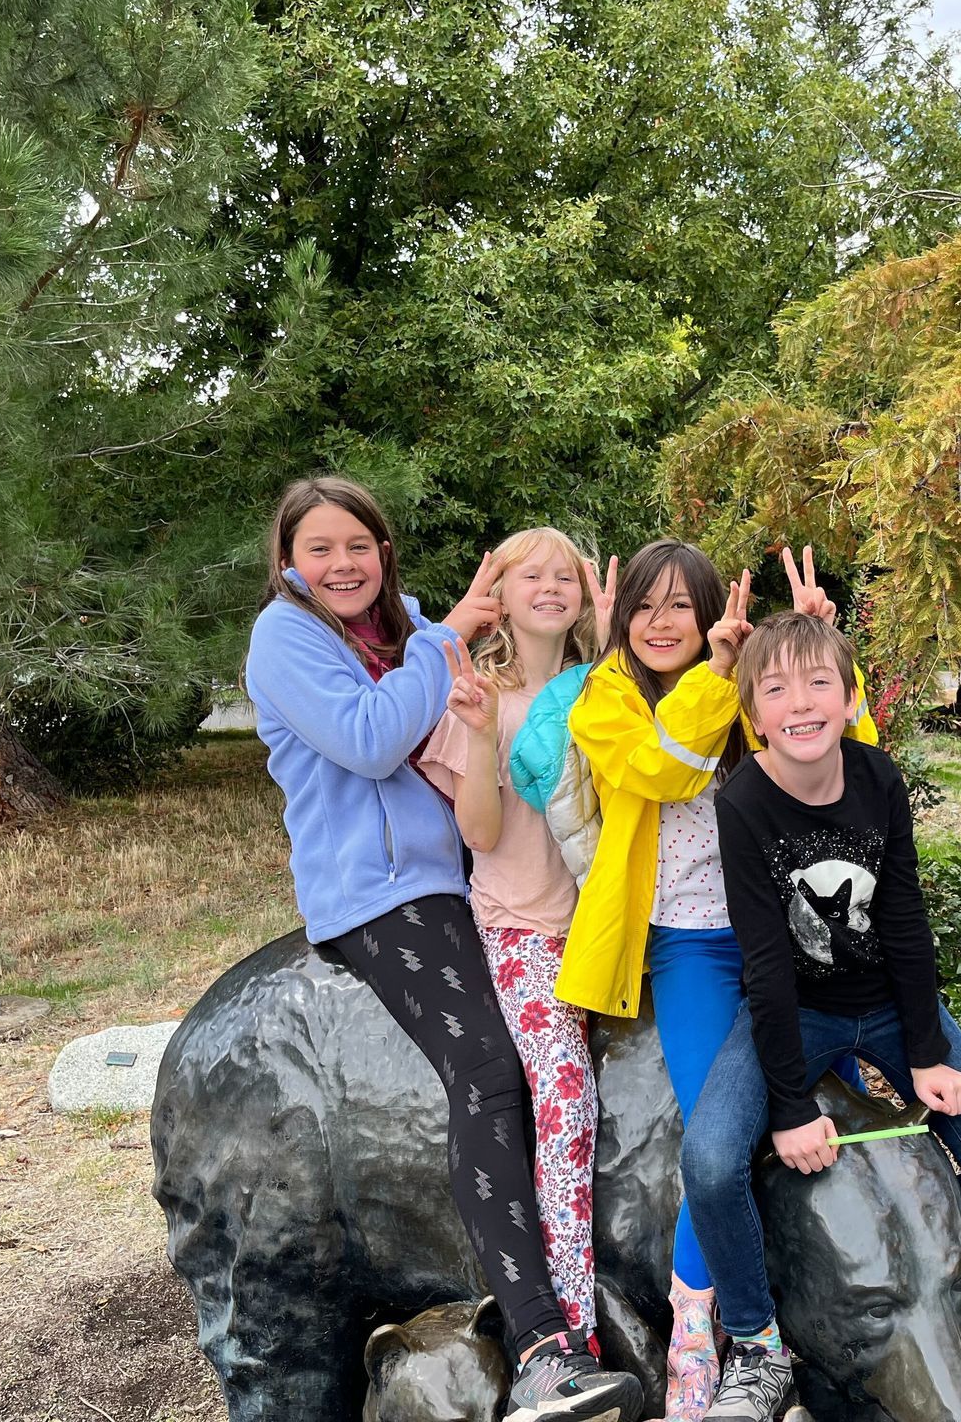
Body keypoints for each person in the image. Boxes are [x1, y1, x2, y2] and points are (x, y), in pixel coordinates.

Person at [243, 478, 642, 1422]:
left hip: (456, 881)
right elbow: (374, 742)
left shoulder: (409, 623)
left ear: (384, 552)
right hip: (378, 891)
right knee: (489, 1069)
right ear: (289, 563)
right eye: (320, 550)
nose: (343, 564)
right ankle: (546, 1342)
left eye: (359, 546)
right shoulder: (288, 636)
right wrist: (449, 632)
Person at [680, 611, 961, 1422]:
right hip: (795, 1012)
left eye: (818, 684)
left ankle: (892, 1292)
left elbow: (905, 919)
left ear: (849, 699)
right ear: (753, 712)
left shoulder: (878, 779)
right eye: (775, 689)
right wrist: (792, 1107)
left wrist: (926, 1049)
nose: (799, 703)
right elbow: (767, 965)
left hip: (884, 1004)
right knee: (706, 1163)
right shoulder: (742, 804)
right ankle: (760, 1341)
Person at [554, 542, 872, 1420]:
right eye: (646, 607)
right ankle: (702, 1340)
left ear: (707, 617)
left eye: (682, 608)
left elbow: (846, 759)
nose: (663, 623)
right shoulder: (605, 698)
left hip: (790, 938)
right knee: (715, 1139)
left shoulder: (757, 687)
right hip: (689, 943)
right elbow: (658, 768)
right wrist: (721, 678)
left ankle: (833, 1315)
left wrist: (824, 660)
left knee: (833, 1116)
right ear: (623, 619)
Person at [419, 527, 611, 1341]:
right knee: (565, 1102)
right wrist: (481, 734)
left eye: (565, 575)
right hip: (524, 929)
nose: (550, 586)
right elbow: (484, 836)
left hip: (608, 931)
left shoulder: (604, 688)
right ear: (497, 591)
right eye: (529, 574)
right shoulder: (480, 693)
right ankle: (572, 1321)